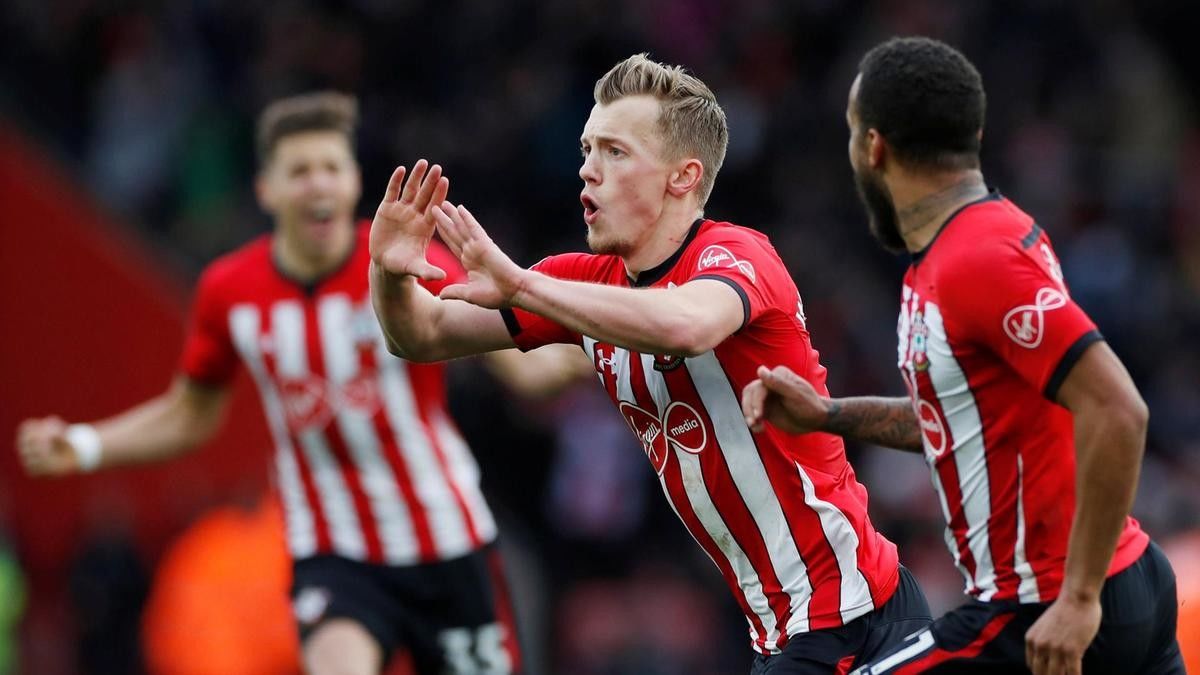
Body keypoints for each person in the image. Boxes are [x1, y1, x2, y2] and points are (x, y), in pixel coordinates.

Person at [368, 53, 932, 674]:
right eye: (587, 149)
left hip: (857, 616)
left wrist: (523, 286)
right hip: (780, 633)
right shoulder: (580, 283)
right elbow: (420, 334)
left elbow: (688, 325)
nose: (587, 170)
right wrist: (389, 272)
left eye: (615, 152)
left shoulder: (737, 254)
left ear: (682, 177)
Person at [16, 91, 585, 675]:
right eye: (300, 171)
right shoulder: (230, 292)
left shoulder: (413, 259)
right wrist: (86, 445)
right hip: (332, 548)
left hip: (446, 536)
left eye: (331, 168)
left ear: (352, 180)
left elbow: (528, 370)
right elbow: (190, 416)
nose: (318, 185)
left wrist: (601, 344)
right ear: (267, 189)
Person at [741, 37, 1183, 675]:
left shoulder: (977, 256)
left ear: (873, 147)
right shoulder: (972, 241)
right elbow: (968, 420)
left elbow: (1119, 409)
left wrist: (1079, 598)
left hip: (1047, 605)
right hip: (1112, 586)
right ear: (973, 133)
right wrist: (827, 414)